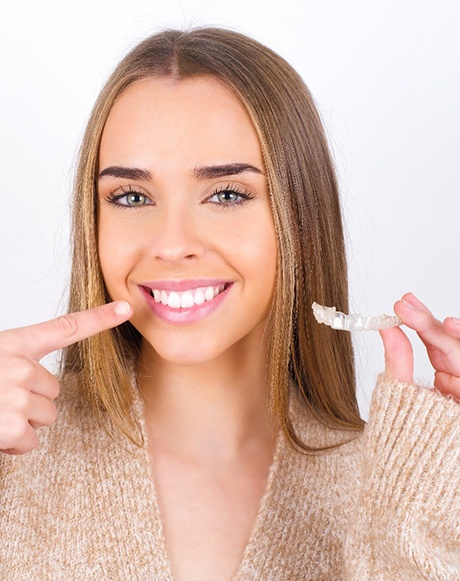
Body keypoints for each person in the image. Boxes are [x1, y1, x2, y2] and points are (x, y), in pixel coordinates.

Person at [0, 27, 458, 580]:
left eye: (226, 194)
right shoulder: (13, 460)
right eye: (131, 196)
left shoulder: (402, 490)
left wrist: (436, 498)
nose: (171, 244)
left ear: (300, 219)